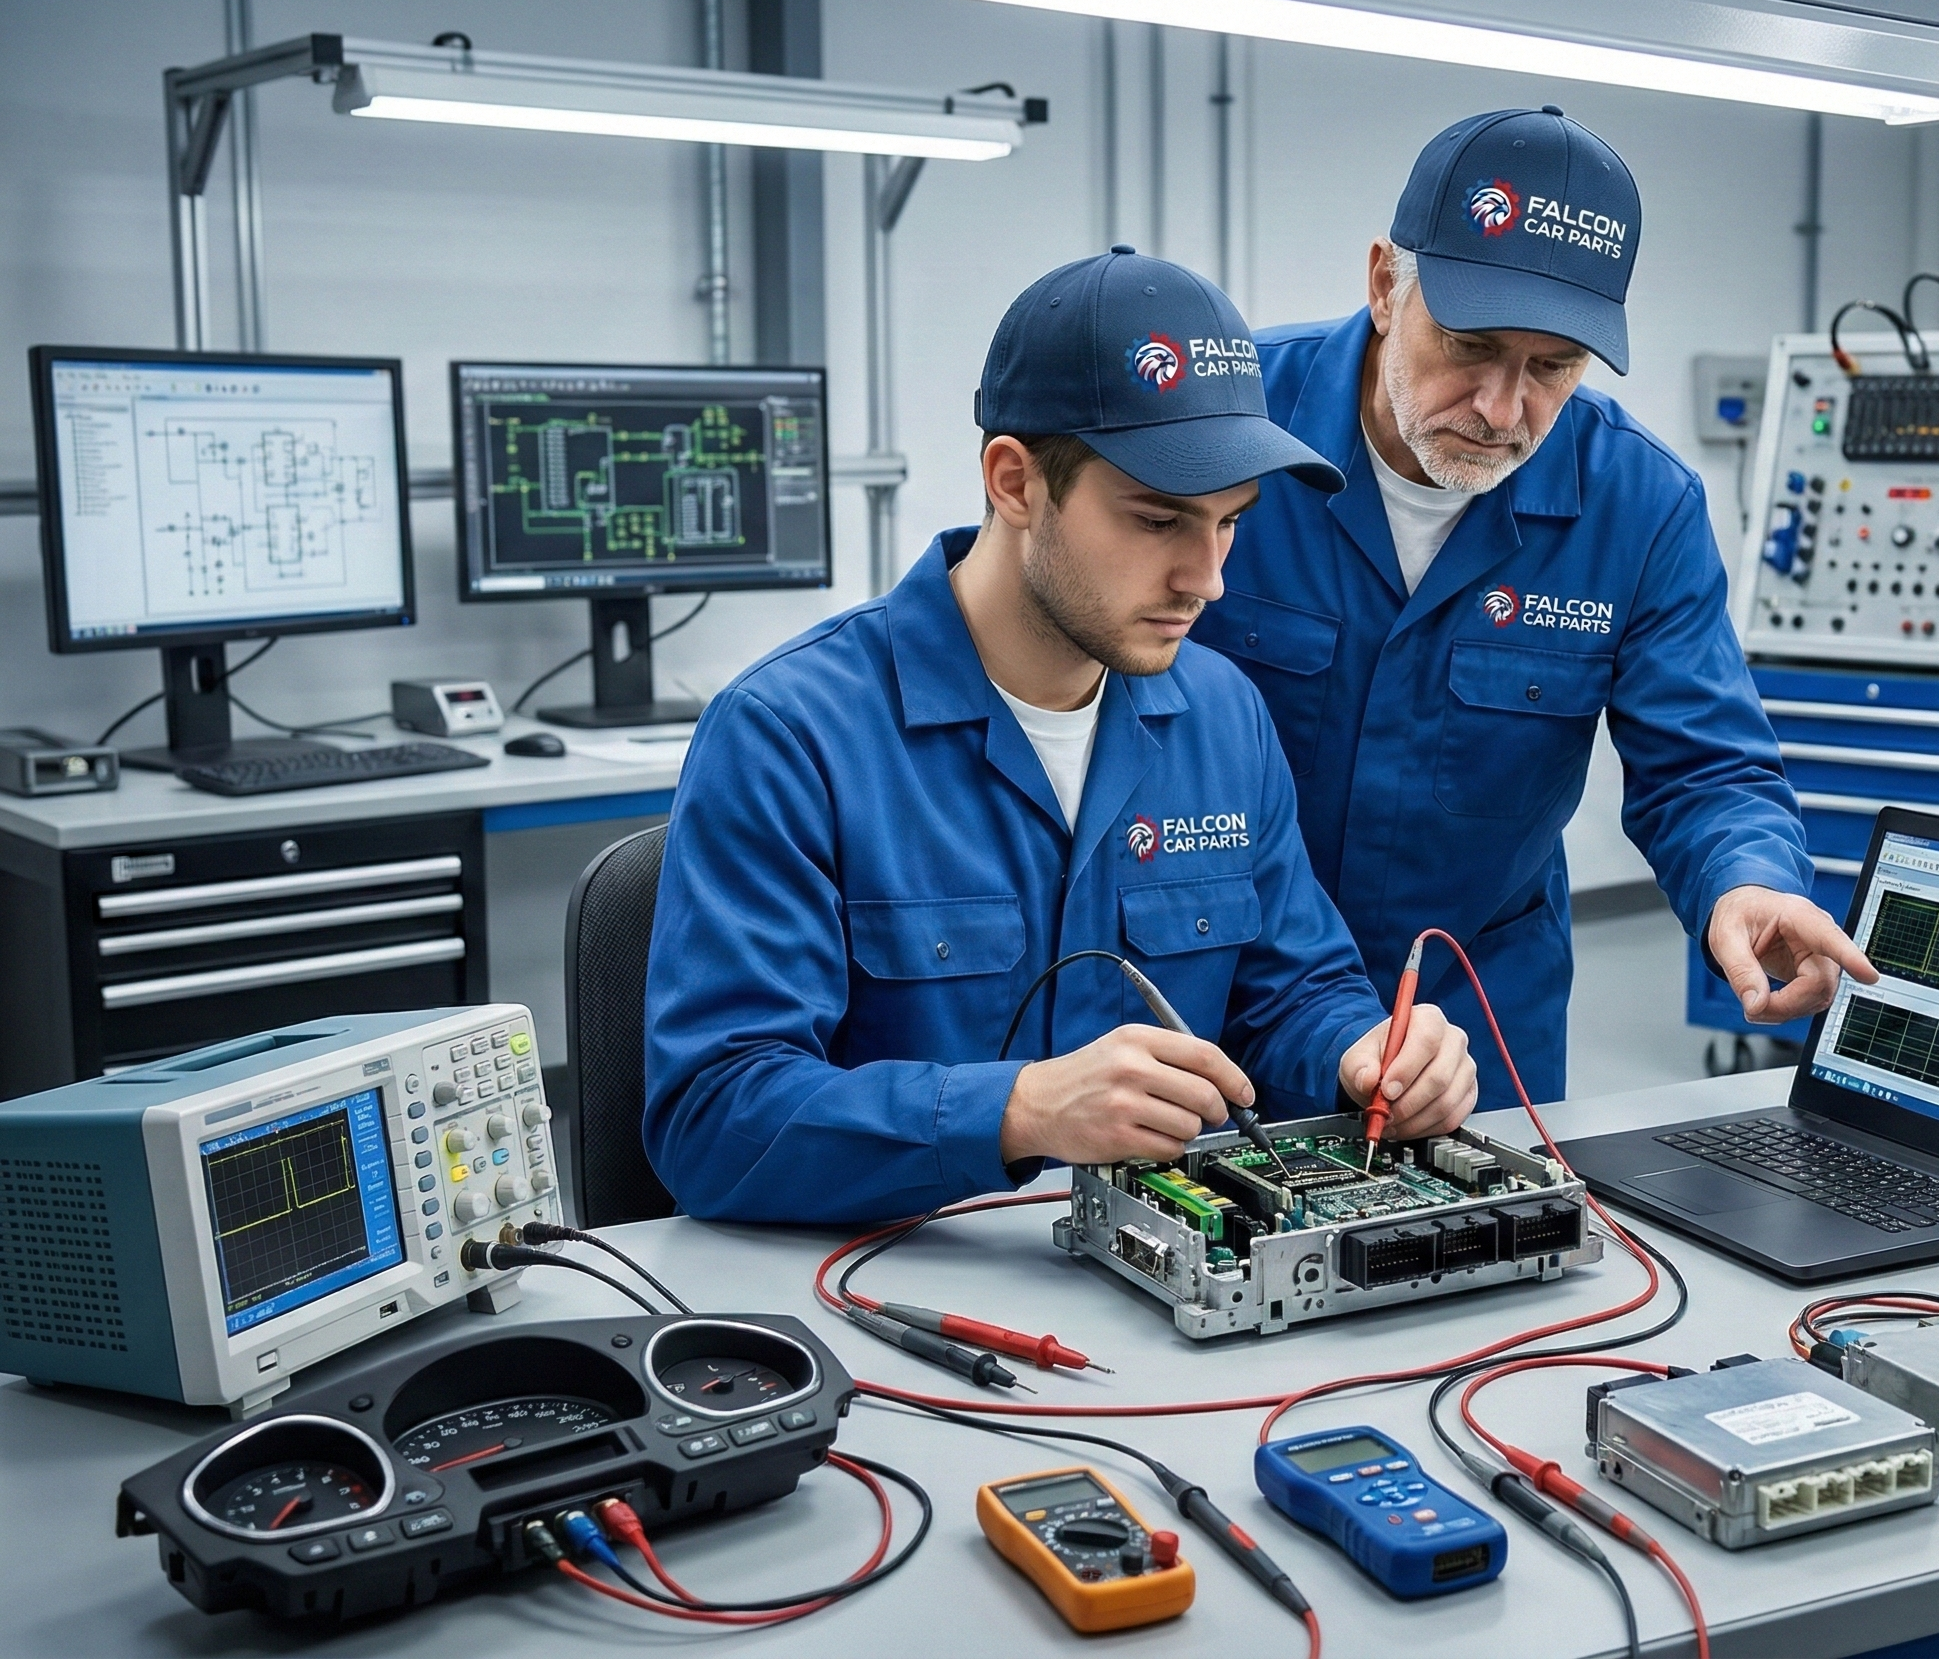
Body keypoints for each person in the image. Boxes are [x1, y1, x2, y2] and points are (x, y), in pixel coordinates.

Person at [645, 247, 1476, 1224]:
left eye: (1228, 524)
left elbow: (1291, 992)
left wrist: (1360, 1052)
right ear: (1013, 481)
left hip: (1167, 1281)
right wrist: (1018, 1111)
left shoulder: (1221, 717)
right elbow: (712, 1118)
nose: (1204, 579)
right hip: (897, 1283)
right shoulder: (791, 736)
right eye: (1158, 519)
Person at [1193, 105, 1872, 1108]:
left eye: (1551, 366)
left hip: (1476, 1016)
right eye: (1468, 346)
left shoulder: (1634, 504)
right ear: (1384, 284)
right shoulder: (1224, 437)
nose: (1502, 409)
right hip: (1223, 991)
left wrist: (1747, 879)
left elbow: (1704, 763)